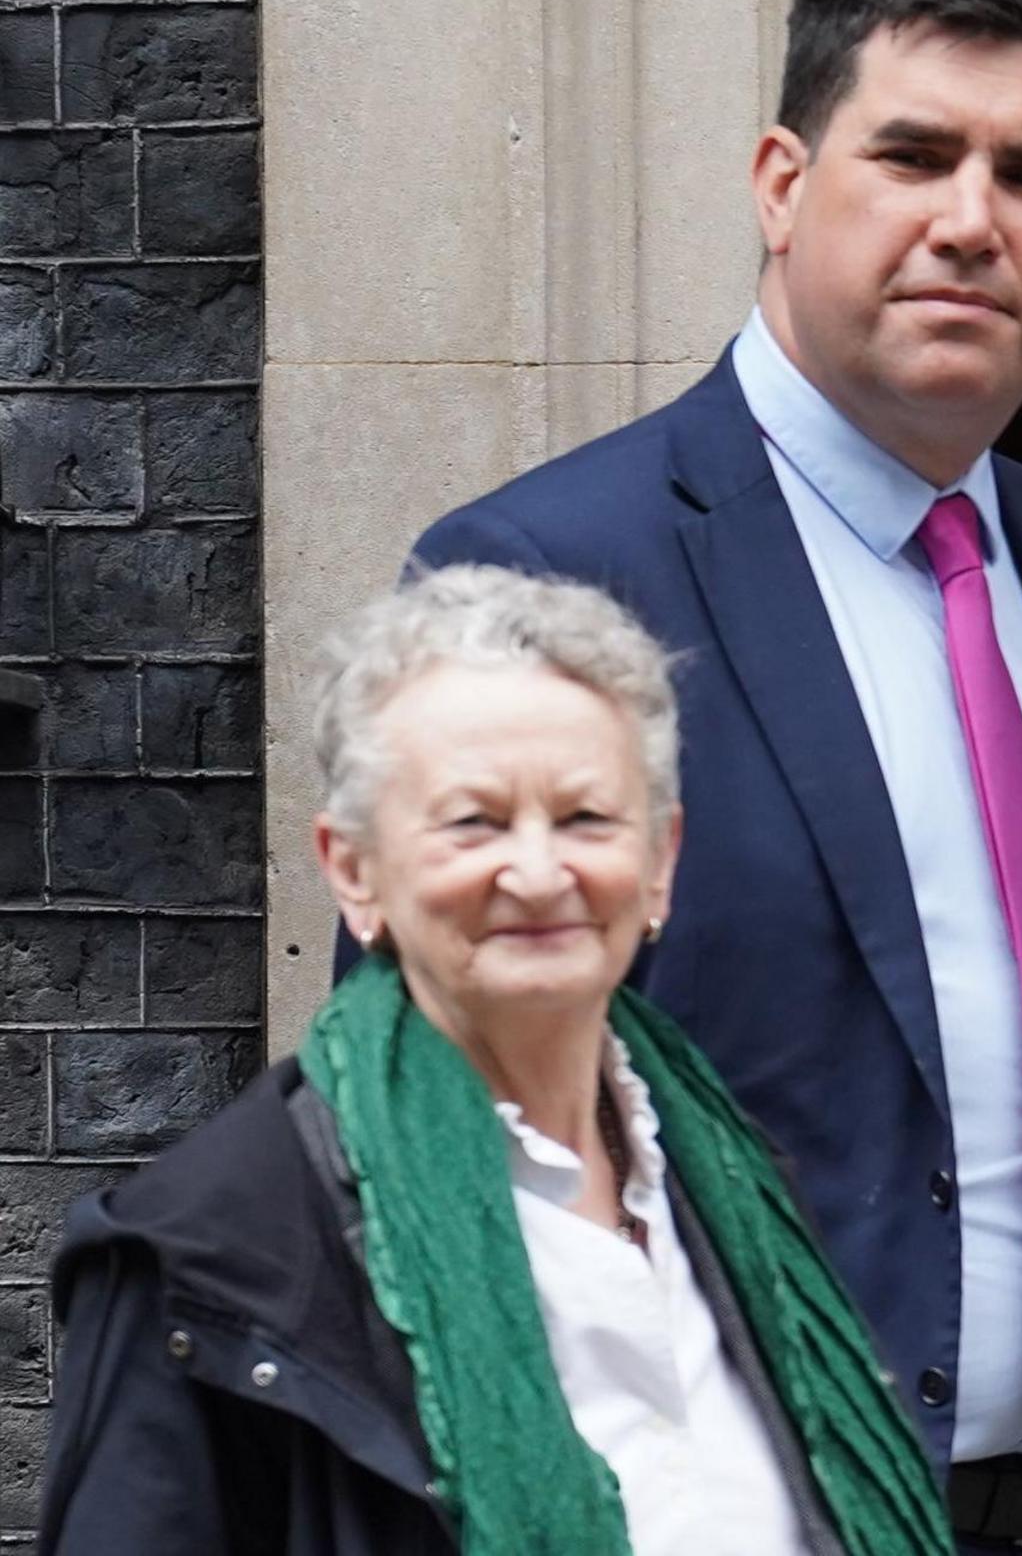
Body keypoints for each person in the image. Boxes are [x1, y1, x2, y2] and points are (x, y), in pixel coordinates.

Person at [405, 0, 1022, 1552]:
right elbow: (446, 1162)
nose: (971, 220)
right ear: (780, 183)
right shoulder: (547, 579)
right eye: (912, 155)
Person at [40, 567, 946, 1555]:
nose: (539, 872)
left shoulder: (733, 1177)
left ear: (661, 861)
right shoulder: (205, 1257)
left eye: (587, 819)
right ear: (353, 868)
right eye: (473, 820)